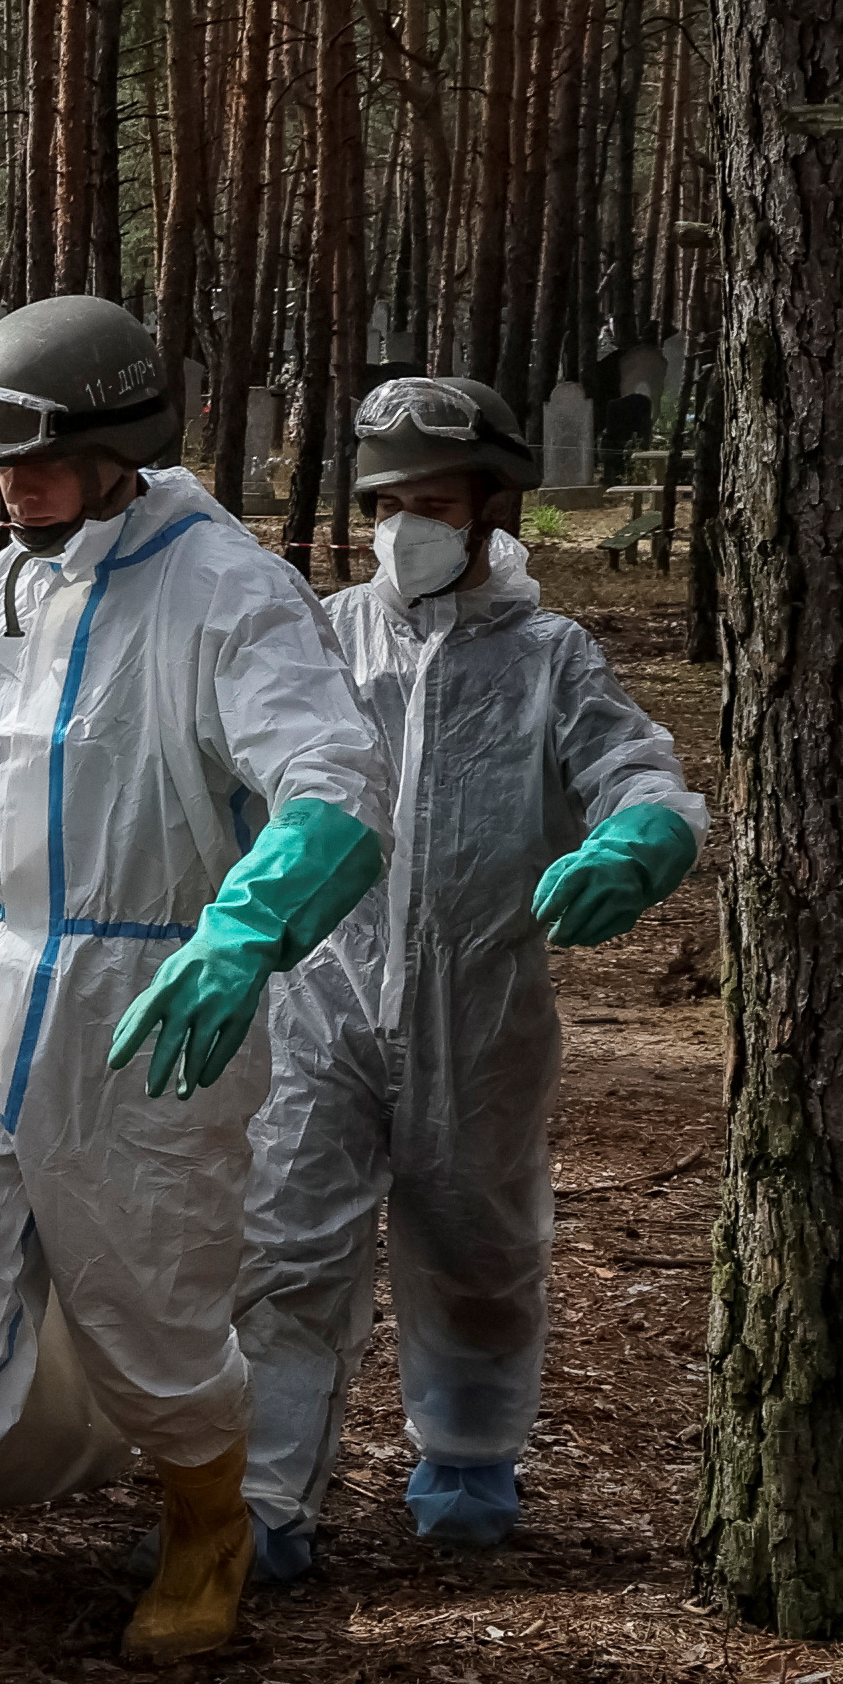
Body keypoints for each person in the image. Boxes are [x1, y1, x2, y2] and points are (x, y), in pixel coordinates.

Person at [0, 293, 386, 1684]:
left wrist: (248, 932)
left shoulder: (225, 591)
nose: (13, 486)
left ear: (125, 440)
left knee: (153, 1329)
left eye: (40, 455)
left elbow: (334, 783)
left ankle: (209, 1537)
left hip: (145, 1016)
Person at [233, 378, 704, 1575]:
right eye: (385, 501)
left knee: (477, 1247)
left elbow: (633, 767)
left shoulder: (549, 655)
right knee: (284, 1247)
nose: (402, 526)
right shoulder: (319, 635)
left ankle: (467, 1459)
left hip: (478, 1005)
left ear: (492, 506)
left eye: (430, 500)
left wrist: (639, 837)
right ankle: (261, 1500)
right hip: (315, 1000)